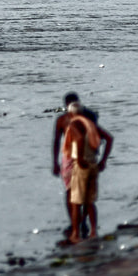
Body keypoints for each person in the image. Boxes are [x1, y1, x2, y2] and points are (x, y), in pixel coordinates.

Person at [52, 92, 113, 243]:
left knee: (77, 195)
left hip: (80, 159)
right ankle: (80, 225)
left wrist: (101, 160)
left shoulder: (81, 119)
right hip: (76, 159)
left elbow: (98, 138)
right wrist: (54, 162)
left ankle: (80, 227)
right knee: (78, 195)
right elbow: (56, 141)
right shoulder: (65, 120)